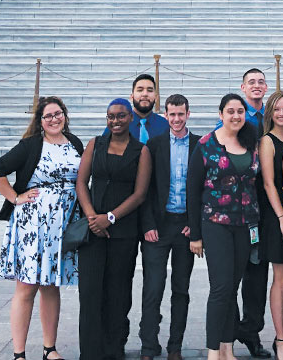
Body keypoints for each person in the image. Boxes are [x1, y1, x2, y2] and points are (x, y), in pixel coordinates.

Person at [0, 95, 84, 360]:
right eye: (48, 116)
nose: (54, 119)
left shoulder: (75, 143)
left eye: (58, 114)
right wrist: (15, 197)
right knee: (27, 286)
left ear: (64, 115)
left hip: (62, 226)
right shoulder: (31, 145)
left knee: (51, 286)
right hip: (33, 225)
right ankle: (19, 353)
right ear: (40, 121)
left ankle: (49, 348)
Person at [76, 98, 152, 360]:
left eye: (120, 116)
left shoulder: (140, 150)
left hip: (123, 232)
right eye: (111, 117)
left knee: (118, 293)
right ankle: (91, 352)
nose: (115, 121)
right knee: (90, 293)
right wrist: (92, 217)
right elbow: (81, 183)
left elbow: (140, 194)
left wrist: (110, 217)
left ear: (130, 118)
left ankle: (113, 348)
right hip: (92, 231)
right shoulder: (95, 144)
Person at [188, 93, 262, 360]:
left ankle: (227, 348)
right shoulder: (206, 144)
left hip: (245, 224)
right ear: (220, 115)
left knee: (233, 286)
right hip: (215, 223)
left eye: (240, 111)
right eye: (230, 111)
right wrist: (195, 234)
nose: (236, 116)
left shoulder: (251, 141)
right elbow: (193, 190)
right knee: (220, 287)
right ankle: (212, 351)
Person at [139, 93, 200, 360]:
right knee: (152, 288)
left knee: (181, 289)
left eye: (181, 114)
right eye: (171, 114)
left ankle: (175, 345)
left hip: (184, 227)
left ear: (188, 114)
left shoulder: (200, 144)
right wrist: (148, 224)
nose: (176, 119)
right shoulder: (154, 145)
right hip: (158, 226)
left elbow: (203, 188)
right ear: (165, 116)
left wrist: (193, 223)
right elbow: (145, 188)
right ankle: (148, 345)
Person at [231, 68, 271, 359]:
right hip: (235, 208)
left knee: (257, 273)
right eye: (251, 82)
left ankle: (251, 329)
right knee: (231, 274)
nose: (256, 86)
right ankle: (229, 331)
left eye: (260, 82)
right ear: (243, 87)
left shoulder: (274, 115)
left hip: (265, 208)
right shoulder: (235, 116)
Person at [259, 90, 283, 360]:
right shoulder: (267, 141)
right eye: (277, 109)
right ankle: (281, 338)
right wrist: (282, 217)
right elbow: (269, 183)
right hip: (278, 218)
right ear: (270, 112)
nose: (282, 113)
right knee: (281, 279)